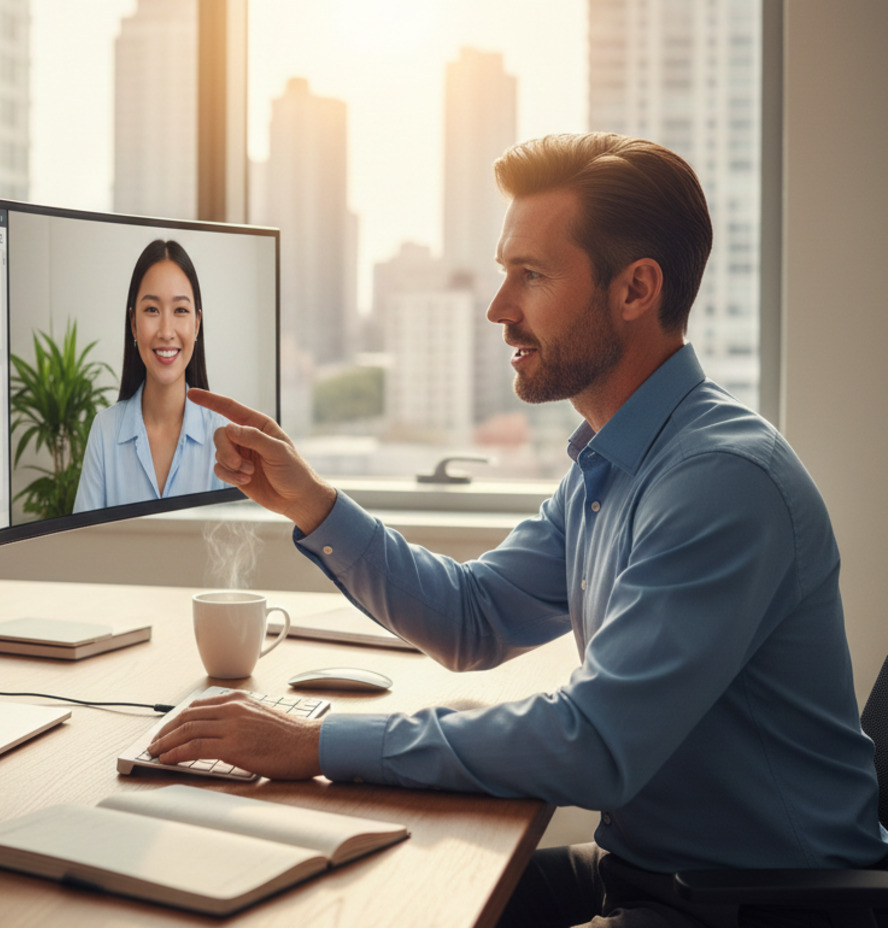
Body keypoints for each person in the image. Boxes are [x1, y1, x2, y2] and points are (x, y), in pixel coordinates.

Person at [148, 133, 888, 927]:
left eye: (530, 276)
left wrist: (317, 745)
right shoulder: (615, 463)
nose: (500, 308)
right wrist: (312, 504)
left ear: (636, 289)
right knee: (386, 899)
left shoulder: (722, 482)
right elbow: (474, 618)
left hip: (760, 906)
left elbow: (593, 744)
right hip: (651, 872)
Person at [73, 239, 227, 512]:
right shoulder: (104, 432)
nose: (166, 331)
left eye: (180, 310)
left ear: (197, 324)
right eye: (152, 310)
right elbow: (84, 549)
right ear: (133, 324)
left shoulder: (224, 436)